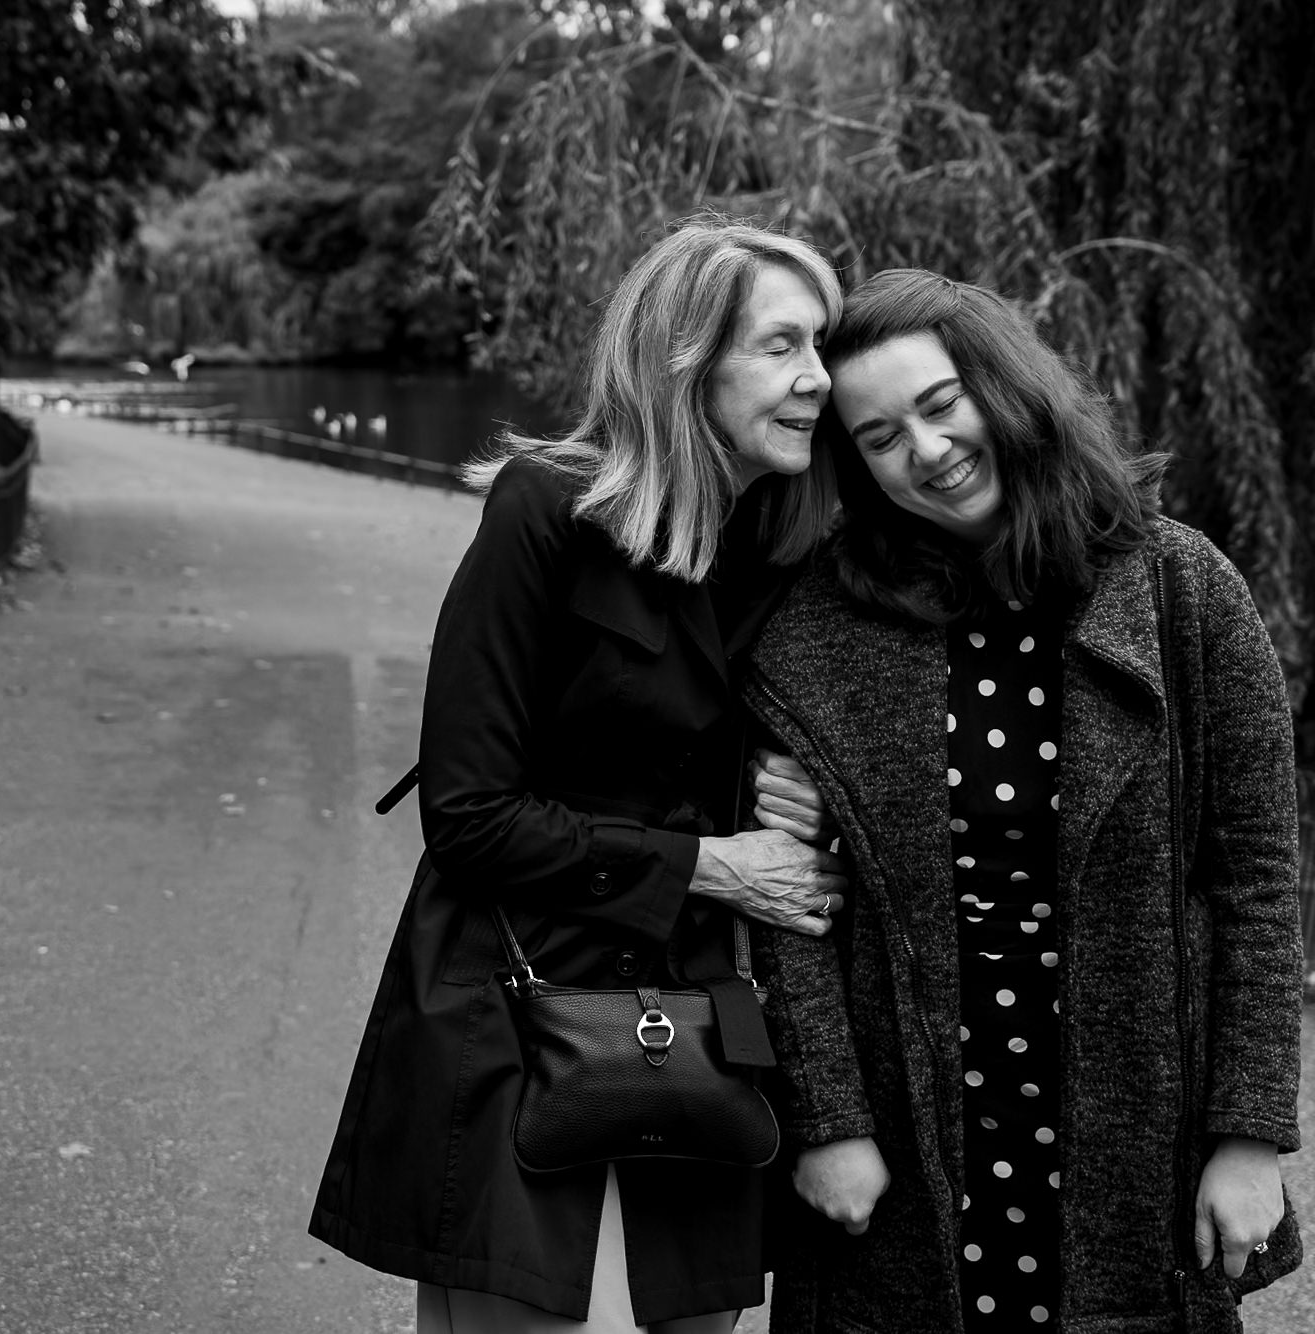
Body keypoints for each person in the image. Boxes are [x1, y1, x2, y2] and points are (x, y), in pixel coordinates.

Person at [309, 218, 851, 1334]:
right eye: (783, 346)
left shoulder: (784, 548)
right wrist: (713, 863)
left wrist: (796, 802)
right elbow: (467, 814)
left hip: (699, 1003)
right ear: (683, 359)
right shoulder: (544, 510)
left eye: (824, 345)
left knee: (687, 1315)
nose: (818, 379)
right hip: (511, 988)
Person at [739, 270, 1304, 1333]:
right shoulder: (823, 627)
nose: (925, 448)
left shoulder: (1180, 590)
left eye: (940, 402)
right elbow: (791, 907)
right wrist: (826, 1121)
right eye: (876, 435)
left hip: (1131, 1119)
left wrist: (1248, 1135)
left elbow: (1255, 887)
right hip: (903, 1133)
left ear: (1004, 388)